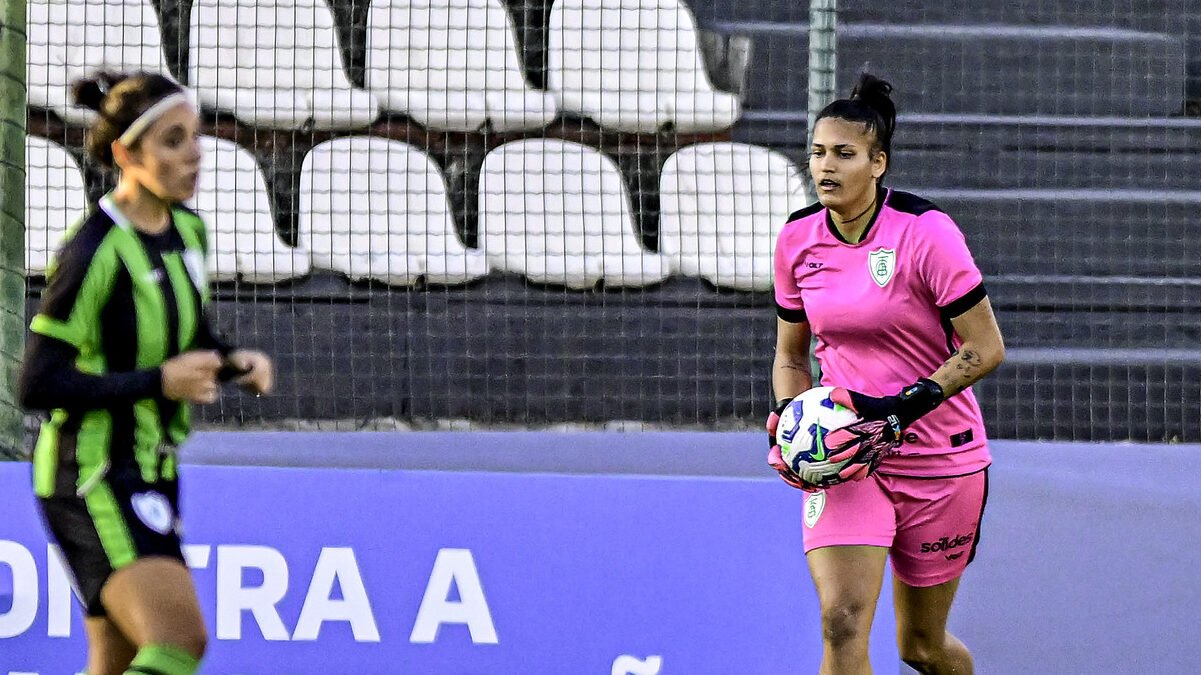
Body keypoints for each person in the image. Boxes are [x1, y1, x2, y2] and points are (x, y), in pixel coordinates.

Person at [18, 71, 274, 675]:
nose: (194, 153)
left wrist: (234, 360)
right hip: (91, 476)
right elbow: (36, 385)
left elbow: (188, 334)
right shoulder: (94, 250)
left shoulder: (188, 232)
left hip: (153, 468)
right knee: (178, 641)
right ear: (125, 156)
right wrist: (159, 382)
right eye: (173, 140)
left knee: (117, 659)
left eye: (196, 136)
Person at [766, 73, 1006, 675]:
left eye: (844, 154)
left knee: (920, 647)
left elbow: (986, 347)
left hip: (939, 457)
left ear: (878, 163)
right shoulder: (797, 239)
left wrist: (902, 409)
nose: (826, 166)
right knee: (840, 620)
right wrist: (791, 418)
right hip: (848, 452)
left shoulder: (927, 233)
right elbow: (792, 356)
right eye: (818, 152)